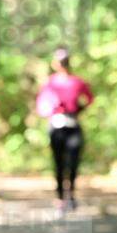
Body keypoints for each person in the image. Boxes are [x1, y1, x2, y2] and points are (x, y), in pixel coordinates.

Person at [36, 47, 94, 210]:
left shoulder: (77, 82)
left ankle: (72, 195)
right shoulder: (50, 83)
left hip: (73, 125)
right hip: (57, 127)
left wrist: (79, 109)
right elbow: (41, 106)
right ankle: (61, 197)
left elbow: (89, 98)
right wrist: (50, 109)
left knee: (74, 161)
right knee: (59, 163)